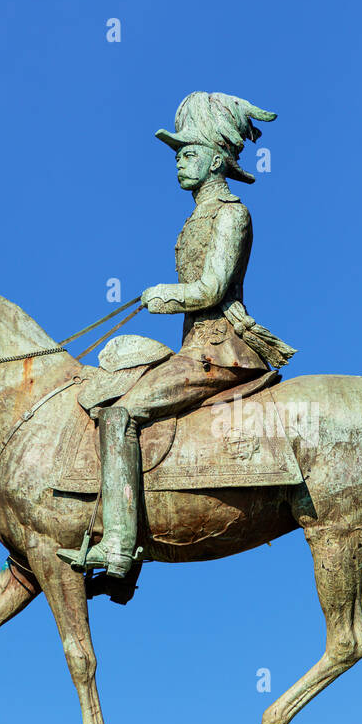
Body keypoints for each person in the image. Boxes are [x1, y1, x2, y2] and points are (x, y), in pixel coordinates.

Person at [58, 92, 295, 578]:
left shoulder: (233, 213)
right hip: (196, 348)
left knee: (123, 414)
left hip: (219, 351)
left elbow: (212, 287)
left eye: (187, 154)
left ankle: (120, 546)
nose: (179, 164)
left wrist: (169, 294)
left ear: (215, 159)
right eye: (178, 156)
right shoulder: (195, 219)